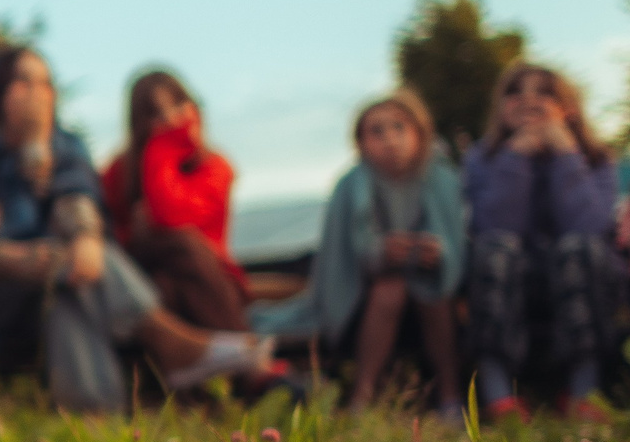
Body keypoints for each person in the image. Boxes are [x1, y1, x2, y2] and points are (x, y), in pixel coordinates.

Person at [0, 44, 268, 412]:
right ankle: (170, 342)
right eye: (23, 82)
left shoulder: (66, 146)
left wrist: (84, 234)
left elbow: (77, 193)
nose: (36, 95)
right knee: (79, 267)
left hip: (64, 279)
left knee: (73, 281)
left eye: (45, 84)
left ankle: (96, 415)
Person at [253, 90, 465, 418]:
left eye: (399, 127)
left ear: (419, 132)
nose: (390, 139)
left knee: (432, 291)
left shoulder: (443, 179)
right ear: (361, 143)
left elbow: (457, 250)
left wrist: (436, 254)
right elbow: (340, 260)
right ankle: (361, 399)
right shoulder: (350, 186)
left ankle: (450, 395)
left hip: (431, 299)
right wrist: (380, 253)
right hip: (359, 306)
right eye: (376, 131)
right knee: (390, 289)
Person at [464, 63, 615, 421]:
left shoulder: (596, 159)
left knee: (579, 248)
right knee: (496, 249)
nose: (528, 100)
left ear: (568, 109)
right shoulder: (482, 159)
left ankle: (584, 392)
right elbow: (493, 226)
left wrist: (566, 156)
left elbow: (590, 227)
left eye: (544, 92)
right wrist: (515, 158)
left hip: (578, 277)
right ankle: (498, 395)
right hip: (513, 277)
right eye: (515, 91)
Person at [100, 70, 255, 332]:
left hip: (212, 281)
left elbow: (172, 218)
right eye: (157, 114)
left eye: (178, 106)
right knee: (160, 283)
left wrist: (163, 149)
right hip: (144, 277)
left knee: (179, 258)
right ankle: (241, 351)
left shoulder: (215, 167)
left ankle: (235, 349)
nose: (171, 120)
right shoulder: (119, 171)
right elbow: (112, 237)